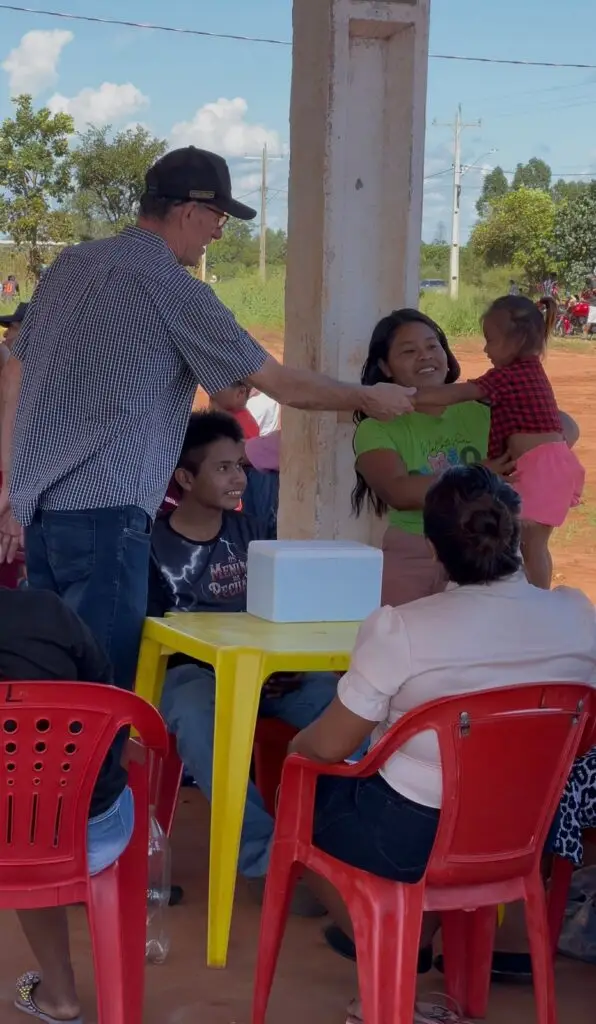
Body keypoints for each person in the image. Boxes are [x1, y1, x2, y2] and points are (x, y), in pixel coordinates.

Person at [0, 146, 414, 690]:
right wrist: (367, 397)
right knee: (99, 690)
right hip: (107, 515)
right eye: (218, 218)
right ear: (189, 211)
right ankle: (99, 778)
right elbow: (282, 385)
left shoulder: (72, 265)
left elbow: (13, 369)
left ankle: (46, 775)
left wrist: (13, 480)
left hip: (44, 515)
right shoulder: (174, 289)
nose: (218, 234)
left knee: (52, 676)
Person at [287, 465, 596, 1024]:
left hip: (415, 833)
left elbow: (329, 748)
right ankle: (408, 947)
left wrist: (293, 754)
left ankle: (391, 962)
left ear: (433, 546)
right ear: (514, 530)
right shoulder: (577, 615)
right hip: (525, 830)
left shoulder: (401, 628)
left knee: (301, 805)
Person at [150, 412, 338, 907]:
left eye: (241, 466)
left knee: (340, 704)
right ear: (185, 478)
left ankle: (333, 848)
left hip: (269, 674)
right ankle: (266, 858)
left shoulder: (258, 533)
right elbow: (152, 635)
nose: (238, 478)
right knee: (196, 714)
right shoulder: (151, 545)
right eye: (223, 468)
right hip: (194, 675)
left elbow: (290, 607)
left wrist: (284, 662)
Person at [0, 586, 133, 1023]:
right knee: (29, 817)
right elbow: (107, 692)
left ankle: (59, 993)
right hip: (95, 829)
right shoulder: (47, 610)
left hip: (12, 841)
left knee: (18, 825)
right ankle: (58, 994)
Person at [415, 295, 585, 590]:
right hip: (545, 468)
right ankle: (529, 599)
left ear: (516, 341)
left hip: (539, 471)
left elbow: (457, 393)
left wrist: (410, 397)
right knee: (528, 546)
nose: (485, 348)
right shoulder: (529, 371)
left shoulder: (507, 377)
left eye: (490, 340)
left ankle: (536, 602)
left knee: (531, 548)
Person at [352, 309, 496, 606]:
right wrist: (479, 474)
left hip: (487, 549)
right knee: (402, 642)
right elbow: (399, 491)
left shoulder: (484, 410)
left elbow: (560, 431)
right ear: (385, 367)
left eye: (433, 346)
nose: (425, 356)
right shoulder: (376, 426)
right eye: (409, 351)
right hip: (413, 554)